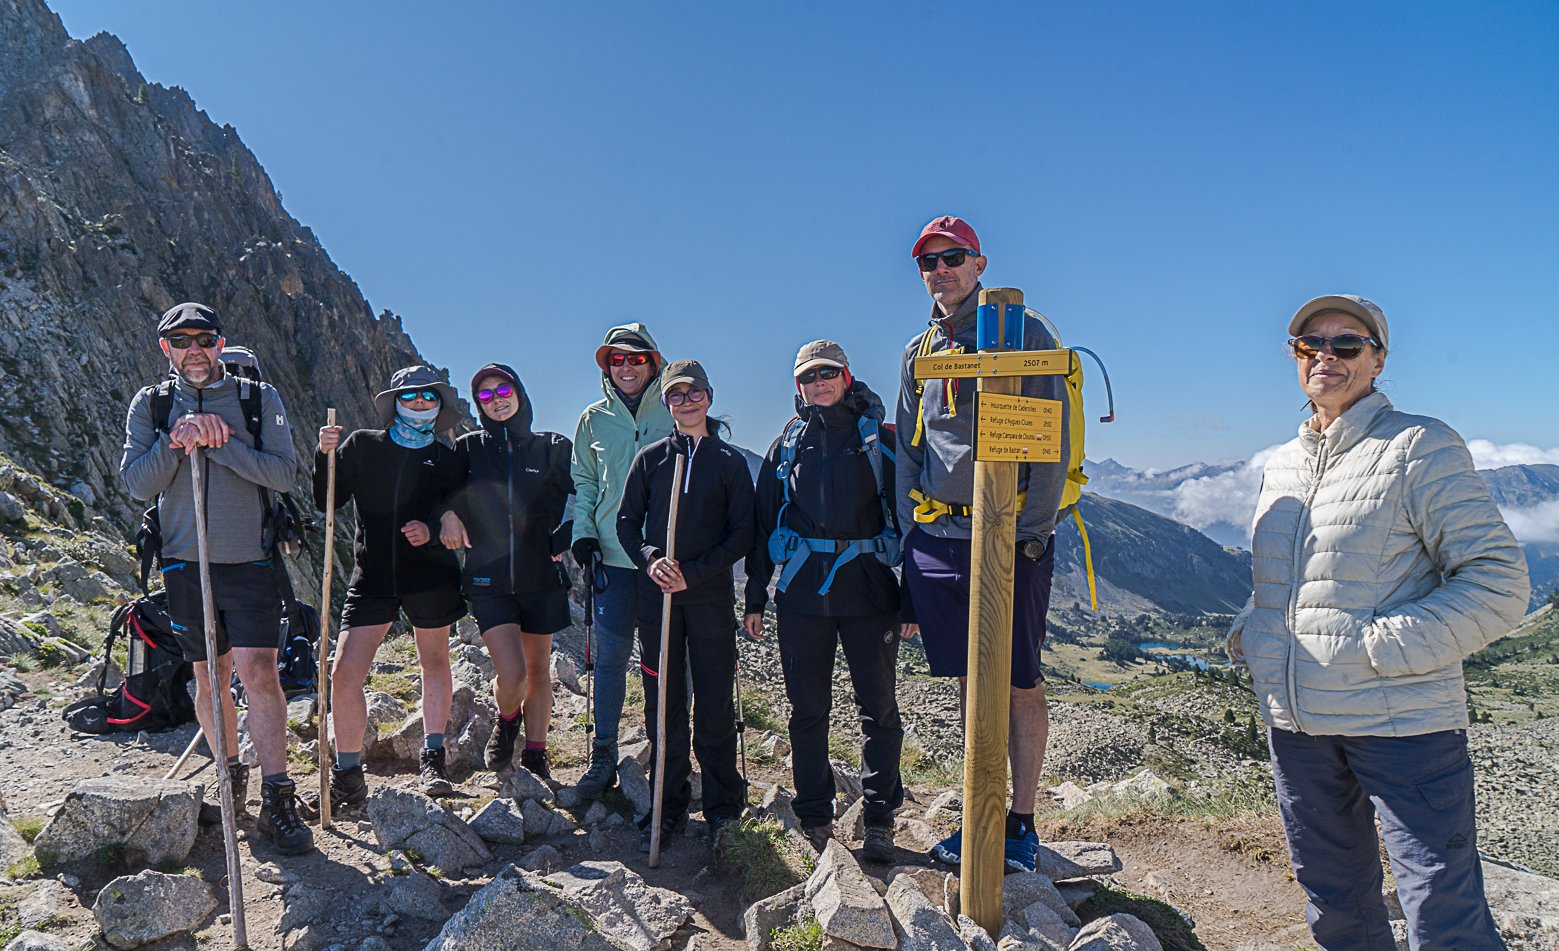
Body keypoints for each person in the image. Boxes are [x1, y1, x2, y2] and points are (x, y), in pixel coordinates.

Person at [1226, 294, 1529, 950]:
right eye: (1310, 344)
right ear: (1294, 356)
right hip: (1297, 725)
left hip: (1402, 724)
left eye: (1346, 344)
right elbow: (1294, 580)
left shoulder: (1418, 445)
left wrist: (1377, 648)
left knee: (1440, 908)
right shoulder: (1281, 463)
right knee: (1334, 901)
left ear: (1378, 359)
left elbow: (1499, 583)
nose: (1325, 356)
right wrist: (1253, 628)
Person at [895, 216, 1069, 873]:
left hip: (1009, 534)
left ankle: (1019, 823)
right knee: (971, 681)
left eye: (952, 257)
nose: (940, 270)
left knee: (1018, 679)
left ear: (979, 264)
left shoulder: (1027, 335)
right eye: (928, 261)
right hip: (939, 535)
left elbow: (1049, 439)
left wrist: (1033, 531)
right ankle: (980, 811)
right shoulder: (920, 349)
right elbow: (909, 447)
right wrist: (911, 531)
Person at [120, 302, 313, 855]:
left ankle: (277, 796)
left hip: (251, 559)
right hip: (185, 562)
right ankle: (230, 779)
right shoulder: (152, 405)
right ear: (166, 349)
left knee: (261, 672)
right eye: (181, 341)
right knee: (209, 675)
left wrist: (223, 444)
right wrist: (176, 440)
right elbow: (137, 483)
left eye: (204, 339)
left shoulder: (258, 399)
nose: (194, 350)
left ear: (220, 343)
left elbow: (283, 473)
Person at [743, 340, 906, 863]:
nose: (820, 383)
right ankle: (815, 816)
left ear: (846, 376)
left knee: (878, 708)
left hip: (871, 595)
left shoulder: (880, 441)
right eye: (809, 377)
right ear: (799, 386)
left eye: (828, 373)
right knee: (808, 710)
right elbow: (763, 525)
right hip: (802, 598)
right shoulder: (788, 444)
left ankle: (879, 819)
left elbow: (912, 522)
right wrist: (754, 597)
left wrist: (912, 602)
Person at [616, 359, 755, 851]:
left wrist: (692, 573)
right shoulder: (651, 459)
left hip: (710, 599)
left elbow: (742, 533)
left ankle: (722, 807)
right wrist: (652, 560)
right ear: (667, 404)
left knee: (715, 703)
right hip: (657, 602)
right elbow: (626, 523)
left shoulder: (730, 463)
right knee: (664, 705)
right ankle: (668, 805)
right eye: (676, 395)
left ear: (708, 397)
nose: (687, 401)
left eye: (694, 392)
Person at [315, 366, 467, 802]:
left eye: (429, 395)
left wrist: (433, 530)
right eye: (410, 394)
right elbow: (327, 498)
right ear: (395, 402)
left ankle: (433, 759)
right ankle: (348, 775)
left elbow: (459, 514)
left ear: (440, 404)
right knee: (344, 673)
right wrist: (324, 455)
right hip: (373, 576)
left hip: (431, 574)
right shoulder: (363, 445)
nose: (419, 401)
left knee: (434, 661)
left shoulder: (447, 459)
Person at [440, 364, 573, 779]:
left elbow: (592, 495)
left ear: (519, 392)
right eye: (485, 395)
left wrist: (567, 536)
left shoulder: (553, 447)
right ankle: (508, 718)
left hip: (541, 578)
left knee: (539, 672)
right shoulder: (467, 448)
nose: (495, 399)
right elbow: (439, 491)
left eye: (503, 390)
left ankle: (536, 754)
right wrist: (447, 515)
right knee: (513, 675)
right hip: (488, 580)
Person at [568, 324, 674, 799]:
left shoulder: (675, 409)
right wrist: (584, 535)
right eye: (616, 359)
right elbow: (586, 484)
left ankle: (666, 751)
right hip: (612, 560)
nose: (626, 367)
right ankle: (603, 753)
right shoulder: (593, 420)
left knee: (662, 663)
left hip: (664, 561)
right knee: (609, 660)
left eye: (636, 358)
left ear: (653, 363)